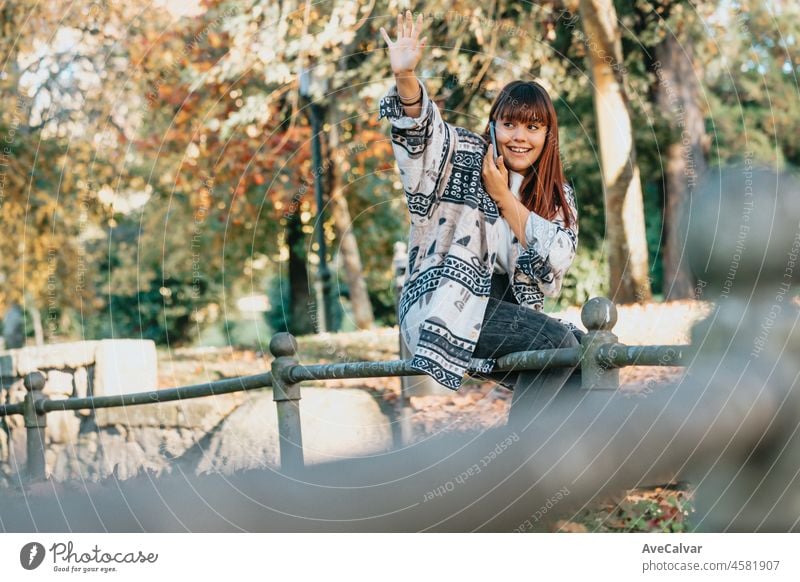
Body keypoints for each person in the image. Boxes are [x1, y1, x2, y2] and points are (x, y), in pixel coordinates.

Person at [379, 11, 583, 423]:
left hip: (507, 312)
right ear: (493, 127)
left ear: (548, 135)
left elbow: (558, 261)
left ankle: (569, 476)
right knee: (559, 345)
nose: (520, 137)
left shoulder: (557, 196)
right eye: (509, 124)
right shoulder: (463, 156)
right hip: (443, 303)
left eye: (533, 127)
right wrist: (406, 79)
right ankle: (519, 470)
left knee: (584, 360)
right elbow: (423, 136)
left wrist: (503, 198)